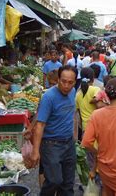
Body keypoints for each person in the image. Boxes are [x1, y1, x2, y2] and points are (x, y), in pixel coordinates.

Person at [28, 65, 77, 195]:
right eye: (63, 81)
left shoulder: (73, 92)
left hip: (69, 144)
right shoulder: (48, 97)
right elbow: (40, 124)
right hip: (51, 145)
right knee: (54, 180)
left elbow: (72, 115)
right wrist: (35, 151)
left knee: (68, 184)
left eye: (70, 82)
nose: (66, 85)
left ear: (75, 82)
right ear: (58, 79)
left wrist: (74, 138)